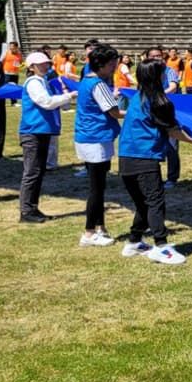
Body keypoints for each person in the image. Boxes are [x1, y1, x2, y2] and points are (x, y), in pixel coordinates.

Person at [117, 59, 192, 265]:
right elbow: (173, 131)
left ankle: (134, 242)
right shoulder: (159, 102)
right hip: (145, 158)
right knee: (155, 202)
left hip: (125, 158)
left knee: (143, 203)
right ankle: (161, 246)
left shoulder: (137, 98)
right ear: (158, 77)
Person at [19, 51, 79, 222]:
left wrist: (65, 95)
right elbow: (46, 102)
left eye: (46, 63)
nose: (46, 66)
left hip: (41, 130)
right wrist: (69, 95)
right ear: (31, 67)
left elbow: (54, 103)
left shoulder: (42, 81)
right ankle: (26, 211)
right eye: (41, 64)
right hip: (33, 131)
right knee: (32, 172)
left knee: (37, 172)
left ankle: (32, 208)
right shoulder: (34, 82)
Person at [74, 43, 123, 246]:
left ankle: (100, 227)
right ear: (101, 64)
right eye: (112, 64)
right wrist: (139, 111)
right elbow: (114, 112)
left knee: (99, 186)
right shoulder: (98, 84)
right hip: (96, 139)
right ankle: (89, 232)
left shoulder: (87, 81)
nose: (114, 67)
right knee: (97, 189)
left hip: (90, 137)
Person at [146, 47, 182, 189]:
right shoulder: (146, 72)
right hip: (151, 113)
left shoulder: (169, 71)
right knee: (153, 144)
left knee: (171, 147)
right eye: (153, 56)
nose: (156, 58)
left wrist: (158, 96)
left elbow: (173, 87)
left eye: (159, 56)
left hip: (168, 113)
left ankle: (172, 178)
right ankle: (154, 177)